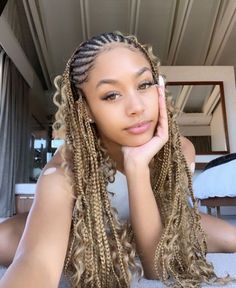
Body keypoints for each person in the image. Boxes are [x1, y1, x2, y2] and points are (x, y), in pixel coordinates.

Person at [0, 32, 236, 288]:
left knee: (230, 237)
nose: (136, 107)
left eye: (144, 84)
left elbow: (156, 267)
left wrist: (137, 169)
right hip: (81, 229)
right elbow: (37, 264)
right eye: (111, 95)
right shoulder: (64, 171)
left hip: (155, 224)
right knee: (10, 243)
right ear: (86, 109)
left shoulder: (179, 151)